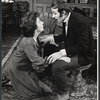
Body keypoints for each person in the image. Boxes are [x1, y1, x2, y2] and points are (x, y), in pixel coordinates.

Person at [39, 1, 95, 100]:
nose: (53, 16)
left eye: (55, 13)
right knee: (48, 46)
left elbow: (83, 47)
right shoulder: (67, 18)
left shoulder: (79, 21)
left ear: (63, 12)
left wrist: (61, 53)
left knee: (57, 66)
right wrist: (51, 38)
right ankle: (48, 72)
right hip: (73, 48)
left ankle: (63, 93)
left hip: (83, 55)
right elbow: (66, 37)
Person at [7, 11, 53, 99]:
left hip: (26, 67)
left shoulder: (35, 38)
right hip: (17, 69)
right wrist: (53, 58)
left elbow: (38, 48)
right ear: (34, 26)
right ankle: (12, 80)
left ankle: (16, 81)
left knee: (47, 91)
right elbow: (36, 61)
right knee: (33, 94)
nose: (43, 22)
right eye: (39, 21)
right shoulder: (27, 42)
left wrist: (50, 42)